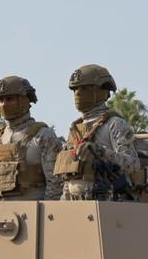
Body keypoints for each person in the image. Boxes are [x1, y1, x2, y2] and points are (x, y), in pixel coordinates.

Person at [54, 64, 142, 200]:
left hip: (108, 201)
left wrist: (102, 152)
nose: (78, 93)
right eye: (75, 89)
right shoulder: (75, 128)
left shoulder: (114, 123)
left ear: (101, 90)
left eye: (84, 88)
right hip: (75, 203)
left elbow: (133, 164)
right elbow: (69, 174)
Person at [0, 75, 63, 200]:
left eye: (9, 99)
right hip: (2, 210)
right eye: (0, 100)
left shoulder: (42, 136)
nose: (3, 104)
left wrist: (48, 211)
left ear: (24, 100)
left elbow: (56, 184)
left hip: (36, 209)